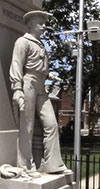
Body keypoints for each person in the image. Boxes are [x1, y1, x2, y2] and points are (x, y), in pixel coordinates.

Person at [9, 10, 70, 177]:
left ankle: (54, 164)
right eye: (40, 23)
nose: (44, 26)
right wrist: (17, 89)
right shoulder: (22, 42)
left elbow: (39, 64)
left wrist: (48, 74)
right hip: (28, 84)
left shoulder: (40, 44)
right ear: (30, 24)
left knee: (51, 124)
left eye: (44, 23)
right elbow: (16, 64)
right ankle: (25, 166)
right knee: (26, 126)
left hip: (41, 86)